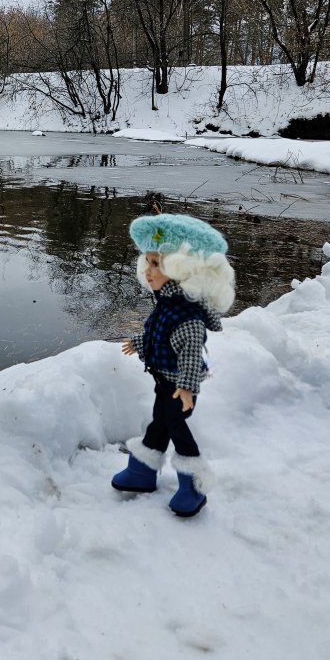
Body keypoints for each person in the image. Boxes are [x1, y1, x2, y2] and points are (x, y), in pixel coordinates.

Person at [111, 212, 235, 517]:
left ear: (184, 271)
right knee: (158, 425)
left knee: (177, 431)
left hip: (179, 389)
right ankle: (142, 473)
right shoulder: (166, 306)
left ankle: (194, 485)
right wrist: (138, 343)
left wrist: (188, 389)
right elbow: (157, 338)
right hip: (164, 383)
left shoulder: (187, 318)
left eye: (157, 264)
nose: (148, 272)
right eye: (148, 263)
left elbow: (191, 355)